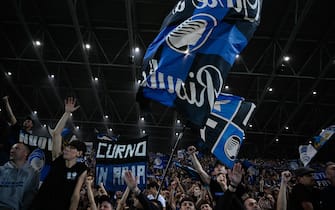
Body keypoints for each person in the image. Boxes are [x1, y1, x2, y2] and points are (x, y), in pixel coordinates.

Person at [30, 97, 87, 210]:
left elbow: (75, 196)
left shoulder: (82, 168)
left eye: (72, 148)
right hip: (40, 205)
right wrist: (67, 113)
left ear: (79, 153)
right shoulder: (58, 159)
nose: (67, 149)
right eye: (67, 147)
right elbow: (56, 134)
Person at [0, 142, 40, 210]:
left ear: (25, 153)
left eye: (16, 148)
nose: (12, 151)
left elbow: (30, 197)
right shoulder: (1, 170)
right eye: (11, 149)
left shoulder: (33, 173)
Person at [1, 96, 34, 164]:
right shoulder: (18, 128)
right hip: (5, 155)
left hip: (16, 161)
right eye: (25, 120)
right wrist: (6, 102)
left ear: (32, 125)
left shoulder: (31, 139)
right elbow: (11, 115)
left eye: (28, 121)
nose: (26, 122)